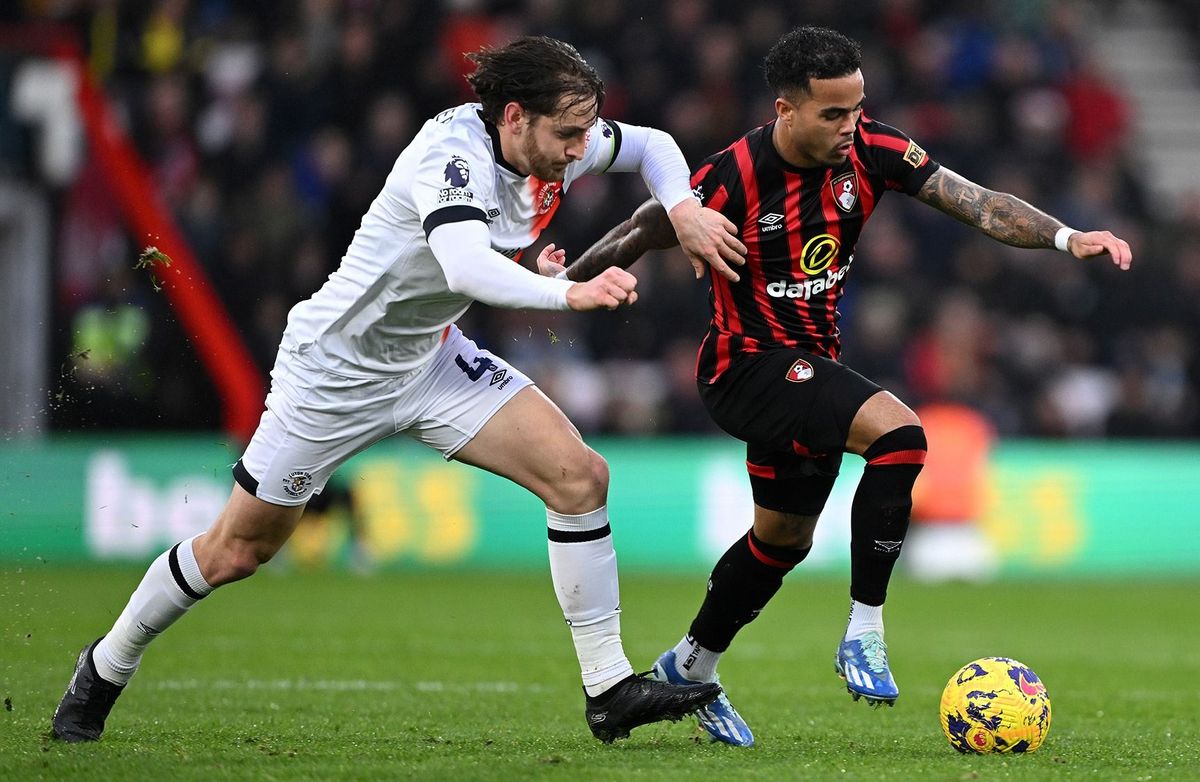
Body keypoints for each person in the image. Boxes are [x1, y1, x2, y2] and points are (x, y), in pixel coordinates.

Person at [52, 35, 748, 745]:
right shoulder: (449, 159)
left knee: (579, 477)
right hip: (335, 373)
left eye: (585, 134)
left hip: (430, 360)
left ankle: (608, 690)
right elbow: (467, 269)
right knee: (236, 550)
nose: (580, 151)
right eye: (567, 135)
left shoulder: (557, 135)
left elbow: (655, 144)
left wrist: (684, 207)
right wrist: (569, 295)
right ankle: (105, 666)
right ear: (514, 117)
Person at [546, 25, 1132, 747]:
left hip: (809, 366)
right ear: (785, 110)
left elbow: (977, 201)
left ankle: (689, 665)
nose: (849, 125)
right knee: (901, 435)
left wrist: (1069, 238)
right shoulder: (732, 175)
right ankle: (865, 629)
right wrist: (559, 286)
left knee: (782, 540)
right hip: (744, 366)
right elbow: (642, 228)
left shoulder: (874, 151)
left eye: (856, 108)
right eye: (832, 113)